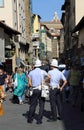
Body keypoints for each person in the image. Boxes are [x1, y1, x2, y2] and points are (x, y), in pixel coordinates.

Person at [27, 59, 50, 124]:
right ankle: (39, 120)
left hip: (34, 89)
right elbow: (49, 77)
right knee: (41, 105)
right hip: (41, 89)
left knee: (32, 105)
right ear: (40, 66)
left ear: (35, 66)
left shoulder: (31, 72)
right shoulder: (43, 71)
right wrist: (44, 81)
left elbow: (29, 83)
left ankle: (30, 119)